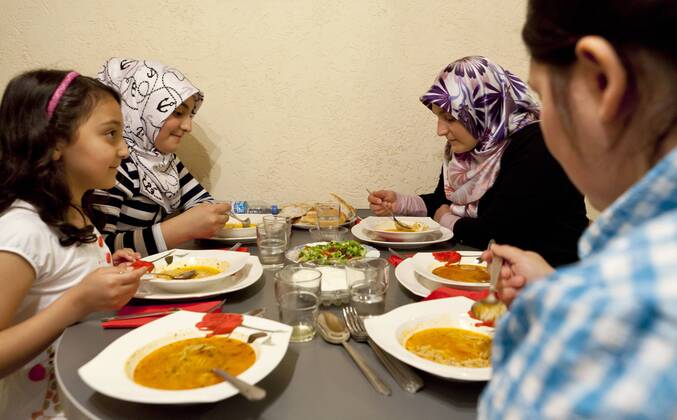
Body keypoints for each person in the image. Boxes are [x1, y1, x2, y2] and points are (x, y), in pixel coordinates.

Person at [479, 0, 677, 418]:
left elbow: (492, 220)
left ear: (602, 81)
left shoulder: (594, 324)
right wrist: (555, 285)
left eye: (542, 96)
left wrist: (571, 303)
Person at [0, 70, 149, 418]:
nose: (124, 150)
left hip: (89, 394)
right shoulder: (20, 230)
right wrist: (77, 302)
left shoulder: (74, 211)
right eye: (110, 134)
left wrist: (109, 269)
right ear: (54, 141)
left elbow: (59, 277)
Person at [368, 56, 588, 267]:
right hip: (491, 269)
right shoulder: (473, 144)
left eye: (450, 118)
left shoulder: (539, 145)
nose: (440, 130)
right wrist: (401, 204)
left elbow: (499, 233)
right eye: (438, 117)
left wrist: (446, 220)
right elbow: (444, 201)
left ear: (482, 109)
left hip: (553, 281)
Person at [90, 58, 229, 256]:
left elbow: (203, 202)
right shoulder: (115, 164)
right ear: (141, 110)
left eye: (190, 115)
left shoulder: (164, 161)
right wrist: (177, 230)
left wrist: (205, 217)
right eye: (178, 113)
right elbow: (101, 250)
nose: (188, 126)